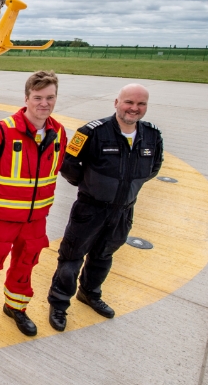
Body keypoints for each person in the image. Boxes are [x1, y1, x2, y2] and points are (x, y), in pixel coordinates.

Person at [0, 70, 68, 339]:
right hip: (2, 220)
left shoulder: (59, 133)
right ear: (27, 98)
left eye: (50, 98)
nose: (44, 103)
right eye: (38, 97)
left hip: (36, 219)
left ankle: (16, 307)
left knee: (26, 265)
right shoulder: (2, 132)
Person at [47, 84, 163, 331]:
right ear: (116, 103)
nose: (134, 108)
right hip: (90, 209)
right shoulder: (91, 132)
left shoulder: (152, 135)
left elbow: (154, 168)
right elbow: (68, 165)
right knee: (71, 257)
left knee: (103, 256)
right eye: (129, 102)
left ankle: (89, 293)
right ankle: (59, 303)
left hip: (123, 211)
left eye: (140, 104)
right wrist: (92, 185)